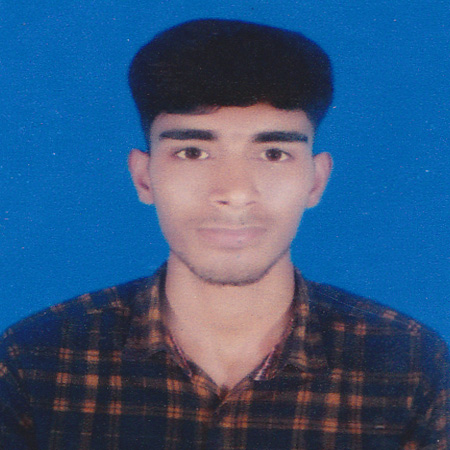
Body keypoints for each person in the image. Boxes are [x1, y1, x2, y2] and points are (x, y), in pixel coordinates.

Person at [0, 18, 448, 450]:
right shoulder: (33, 361)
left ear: (316, 181)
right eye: (192, 152)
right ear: (144, 177)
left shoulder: (411, 365)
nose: (234, 193)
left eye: (273, 154)